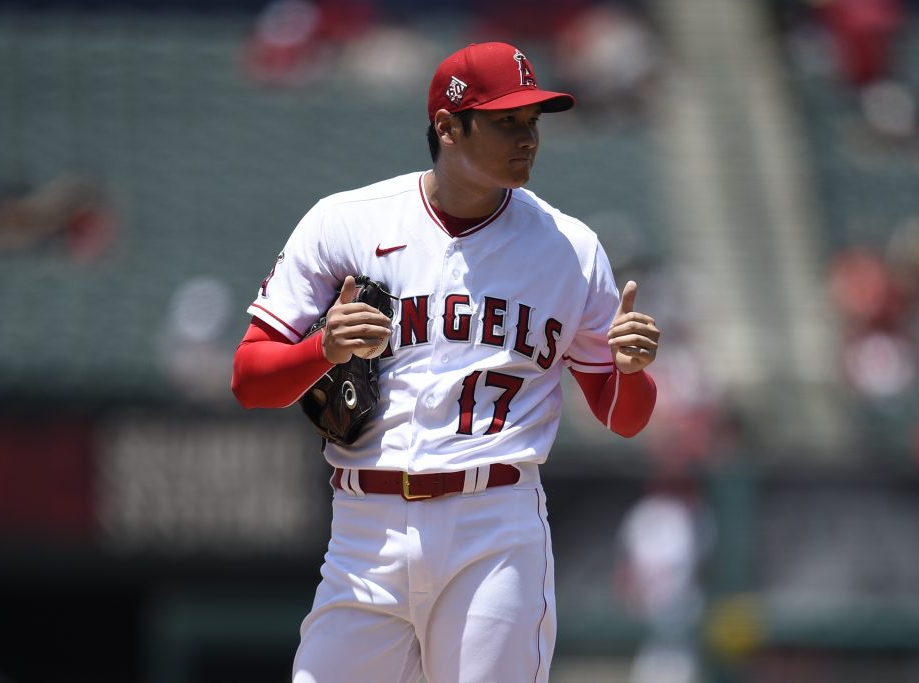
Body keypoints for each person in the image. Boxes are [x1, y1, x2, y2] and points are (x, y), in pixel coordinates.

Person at [231, 41, 661, 683]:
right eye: (506, 121)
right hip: (363, 529)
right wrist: (321, 349)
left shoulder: (570, 249)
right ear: (447, 127)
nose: (528, 138)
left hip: (492, 527)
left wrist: (631, 371)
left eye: (533, 121)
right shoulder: (345, 223)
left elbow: (624, 419)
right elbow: (248, 380)